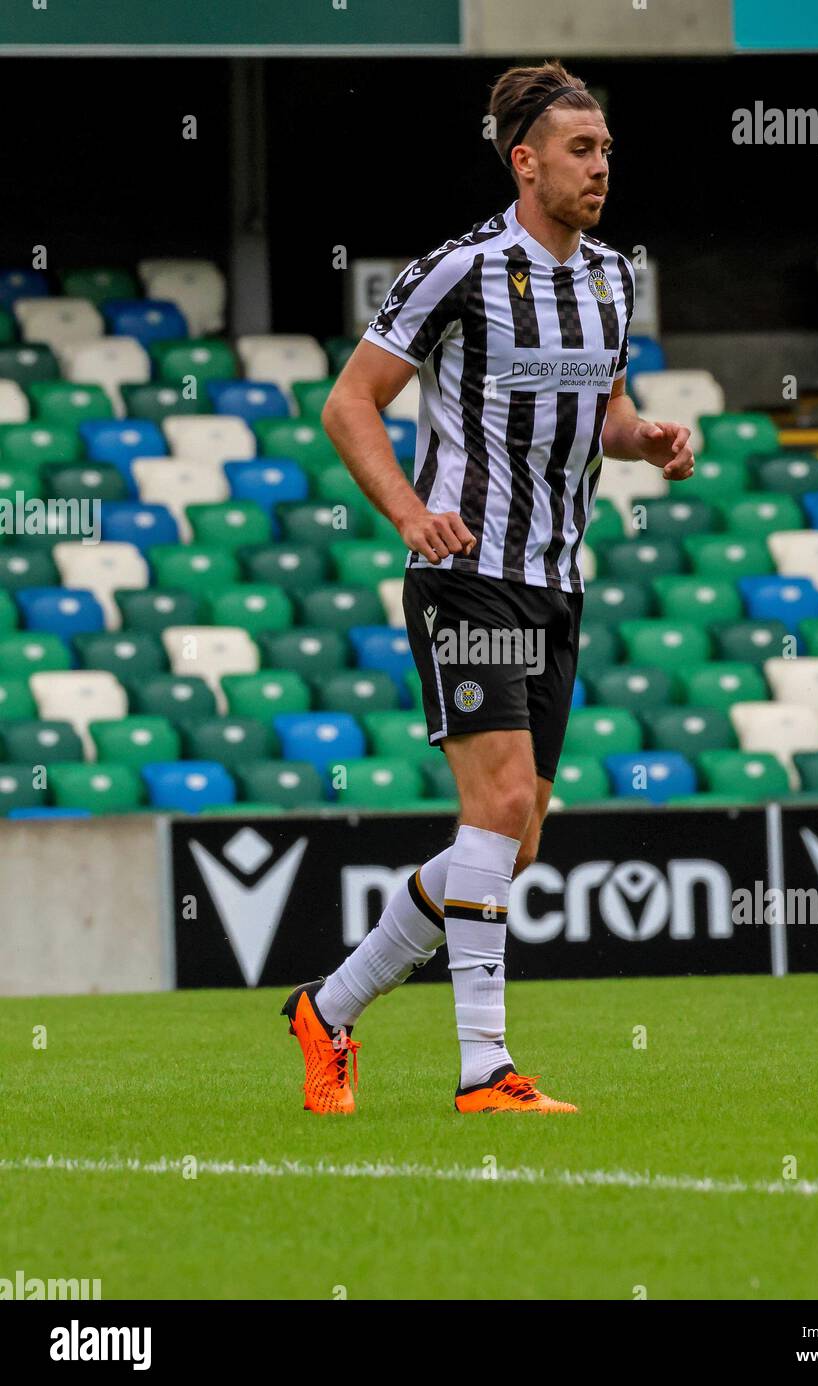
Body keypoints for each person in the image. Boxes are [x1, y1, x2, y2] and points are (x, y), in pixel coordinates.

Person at [282, 58, 694, 1115]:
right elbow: (349, 404)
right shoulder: (457, 269)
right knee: (500, 806)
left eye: (606, 148)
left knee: (515, 833)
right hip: (466, 572)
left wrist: (645, 439)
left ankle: (328, 1009)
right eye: (580, 149)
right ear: (525, 162)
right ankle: (486, 1070)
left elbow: (606, 413)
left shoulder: (612, 275)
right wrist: (412, 515)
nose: (602, 166)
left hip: (557, 581)